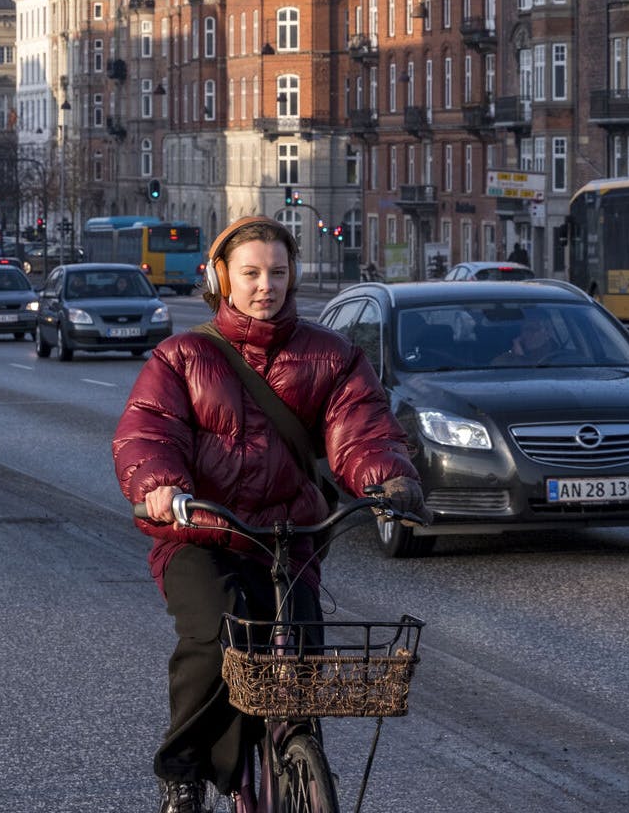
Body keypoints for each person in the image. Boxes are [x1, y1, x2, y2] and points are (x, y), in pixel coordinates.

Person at [113, 215, 430, 813]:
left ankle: (300, 765)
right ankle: (182, 771)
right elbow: (148, 432)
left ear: (293, 275)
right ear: (221, 278)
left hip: (288, 538)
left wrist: (386, 475)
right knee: (219, 635)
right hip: (200, 533)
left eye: (278, 272)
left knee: (299, 668)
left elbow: (362, 426)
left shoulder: (330, 356)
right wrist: (160, 485)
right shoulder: (182, 356)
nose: (266, 286)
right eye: (251, 273)